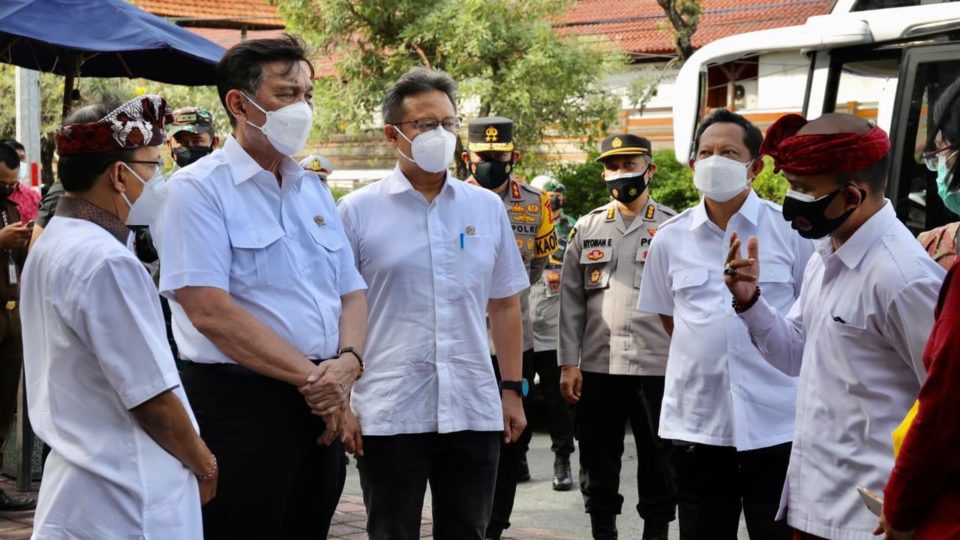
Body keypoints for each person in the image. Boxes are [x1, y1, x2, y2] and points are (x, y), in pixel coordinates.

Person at [154, 35, 368, 539]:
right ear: (238, 103)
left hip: (320, 403)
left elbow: (351, 291)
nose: (302, 107)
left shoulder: (311, 188)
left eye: (307, 94)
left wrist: (349, 364)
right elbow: (209, 311)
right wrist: (318, 382)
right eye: (285, 94)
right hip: (242, 405)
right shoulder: (195, 191)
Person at [722, 112, 945, 539]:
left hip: (871, 522)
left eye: (803, 190)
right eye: (789, 185)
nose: (791, 200)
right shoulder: (826, 257)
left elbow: (940, 410)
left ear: (852, 197)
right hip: (814, 505)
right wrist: (749, 301)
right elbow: (794, 355)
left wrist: (907, 506)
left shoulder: (902, 277)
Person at [337, 67, 528, 540]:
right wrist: (342, 401)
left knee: (467, 530)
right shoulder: (357, 212)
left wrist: (512, 389)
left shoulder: (484, 208)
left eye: (448, 122)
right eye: (425, 124)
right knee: (391, 531)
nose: (440, 134)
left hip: (471, 406)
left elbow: (504, 305)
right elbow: (337, 308)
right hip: (387, 410)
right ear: (393, 134)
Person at [21, 95, 217, 538]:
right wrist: (203, 462)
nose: (159, 179)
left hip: (82, 480)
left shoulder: (54, 242)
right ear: (118, 175)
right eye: (151, 166)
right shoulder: (105, 261)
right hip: (129, 493)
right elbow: (151, 397)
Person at [637, 110, 813, 540]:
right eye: (706, 152)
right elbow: (669, 319)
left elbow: (810, 318)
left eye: (729, 152)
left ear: (755, 167)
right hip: (698, 427)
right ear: (693, 165)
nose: (714, 160)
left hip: (776, 425)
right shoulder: (669, 239)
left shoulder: (791, 231)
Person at [560, 134, 677, 540]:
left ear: (650, 169)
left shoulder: (673, 227)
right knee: (597, 456)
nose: (621, 174)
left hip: (657, 365)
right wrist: (568, 363)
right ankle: (603, 531)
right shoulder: (587, 227)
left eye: (630, 164)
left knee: (660, 456)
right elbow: (571, 301)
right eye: (612, 166)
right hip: (598, 365)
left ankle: (656, 533)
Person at [460, 116, 558, 539]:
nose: (492, 163)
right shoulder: (452, 198)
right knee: (464, 441)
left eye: (500, 157)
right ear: (468, 157)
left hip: (513, 342)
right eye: (484, 157)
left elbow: (536, 268)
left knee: (508, 437)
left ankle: (496, 525)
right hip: (465, 339)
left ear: (514, 157)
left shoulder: (536, 204)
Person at [875, 78, 960, 540]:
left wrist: (899, 505)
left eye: (944, 151)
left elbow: (943, 404)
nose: (939, 169)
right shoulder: (931, 246)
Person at [528, 174, 577, 492]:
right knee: (518, 396)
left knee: (558, 403)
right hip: (520, 327)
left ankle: (563, 459)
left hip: (553, 331)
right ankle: (517, 459)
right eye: (546, 194)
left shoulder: (574, 227)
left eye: (556, 194)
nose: (553, 199)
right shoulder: (523, 220)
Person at [0, 143, 34, 511]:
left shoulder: (10, 207)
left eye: (12, 184)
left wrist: (24, 241)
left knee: (4, 406)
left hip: (10, 316)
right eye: (2, 184)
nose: (9, 191)